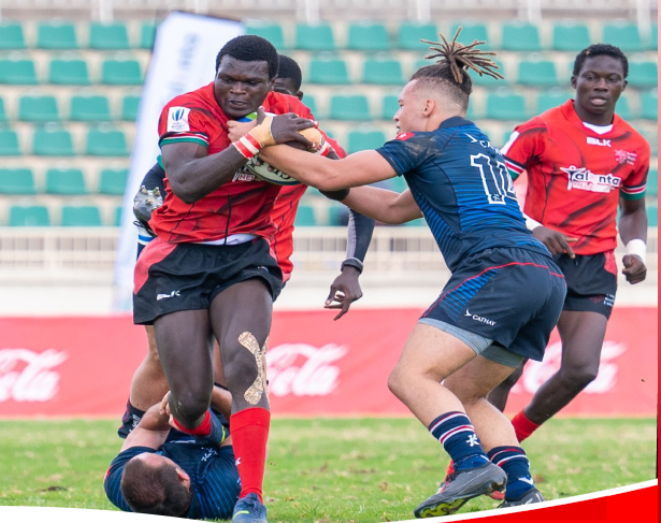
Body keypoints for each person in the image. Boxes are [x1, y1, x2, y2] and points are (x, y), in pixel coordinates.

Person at [253, 33, 565, 516]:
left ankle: (469, 465)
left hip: (496, 269)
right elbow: (392, 208)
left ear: (425, 106)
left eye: (400, 105)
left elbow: (335, 176)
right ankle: (523, 491)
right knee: (469, 394)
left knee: (410, 376)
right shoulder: (473, 145)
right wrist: (318, 174)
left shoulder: (427, 142)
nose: (396, 115)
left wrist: (256, 141)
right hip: (544, 279)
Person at [121, 55, 375, 437]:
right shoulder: (214, 134)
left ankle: (220, 454)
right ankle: (137, 435)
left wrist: (352, 265)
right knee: (165, 360)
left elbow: (356, 193)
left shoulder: (304, 139)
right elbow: (150, 202)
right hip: (188, 256)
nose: (261, 110)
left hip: (260, 260)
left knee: (238, 364)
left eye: (276, 97)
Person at [134, 35, 328, 523]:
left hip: (246, 255)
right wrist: (257, 140)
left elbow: (335, 170)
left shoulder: (286, 110)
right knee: (193, 395)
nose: (237, 90)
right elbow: (187, 182)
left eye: (251, 82)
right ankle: (180, 435)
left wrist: (355, 259)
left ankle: (251, 497)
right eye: (228, 79)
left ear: (270, 83)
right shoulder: (186, 110)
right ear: (215, 72)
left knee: (246, 362)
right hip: (179, 255)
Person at [485, 43, 650, 439]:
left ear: (623, 86)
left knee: (582, 369)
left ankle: (510, 440)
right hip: (537, 259)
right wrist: (531, 227)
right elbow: (491, 186)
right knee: (506, 370)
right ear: (575, 80)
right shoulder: (540, 128)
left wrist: (637, 251)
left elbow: (633, 211)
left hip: (594, 266)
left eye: (611, 79)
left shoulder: (635, 146)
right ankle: (470, 462)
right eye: (591, 76)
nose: (600, 85)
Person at [104, 388, 241, 518]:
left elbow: (149, 429)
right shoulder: (223, 487)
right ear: (183, 477)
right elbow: (247, 425)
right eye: (160, 456)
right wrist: (207, 391)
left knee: (158, 364)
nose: (157, 453)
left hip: (161, 425)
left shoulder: (118, 483)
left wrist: (172, 404)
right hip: (220, 427)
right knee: (250, 394)